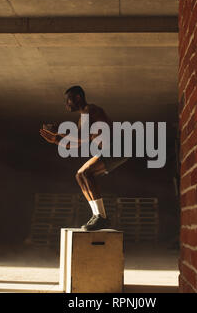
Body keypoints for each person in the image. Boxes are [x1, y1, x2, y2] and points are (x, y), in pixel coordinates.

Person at [39, 86, 129, 231]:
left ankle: (102, 218)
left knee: (86, 173)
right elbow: (76, 142)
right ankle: (98, 215)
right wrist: (55, 140)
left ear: (78, 98)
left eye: (68, 100)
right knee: (80, 175)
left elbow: (81, 136)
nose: (66, 104)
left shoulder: (91, 110)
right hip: (110, 149)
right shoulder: (83, 118)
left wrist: (59, 131)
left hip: (117, 147)